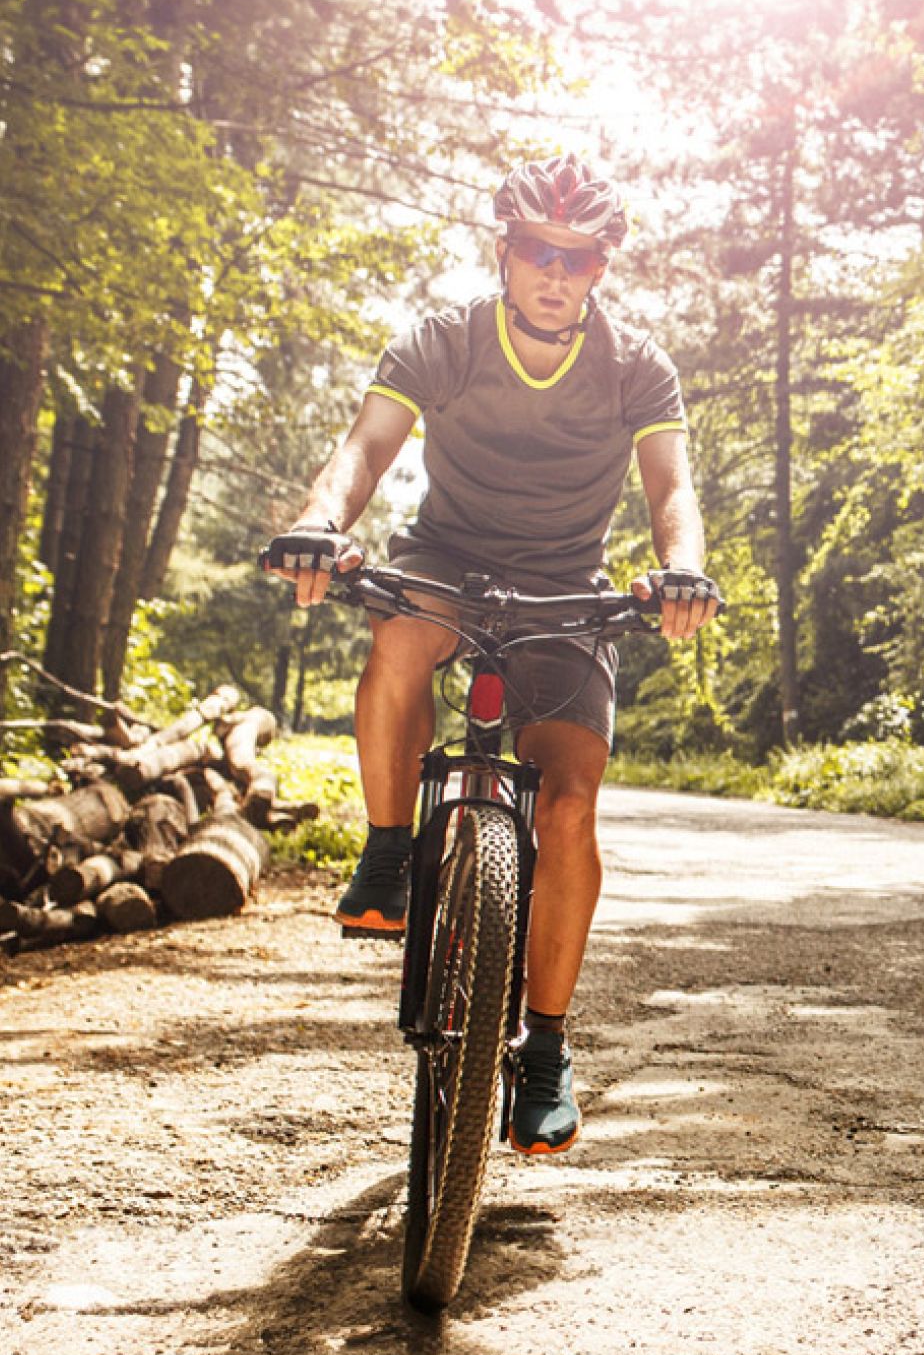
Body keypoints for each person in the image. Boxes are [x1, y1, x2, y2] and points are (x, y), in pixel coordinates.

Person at [263, 154, 720, 1155]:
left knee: (568, 799)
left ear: (600, 265)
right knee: (395, 641)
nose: (555, 273)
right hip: (445, 560)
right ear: (503, 251)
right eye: (536, 252)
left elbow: (669, 489)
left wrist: (681, 566)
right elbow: (365, 450)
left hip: (569, 586)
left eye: (576, 257)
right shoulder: (444, 341)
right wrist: (317, 519)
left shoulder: (635, 364)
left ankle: (546, 1049)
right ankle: (388, 849)